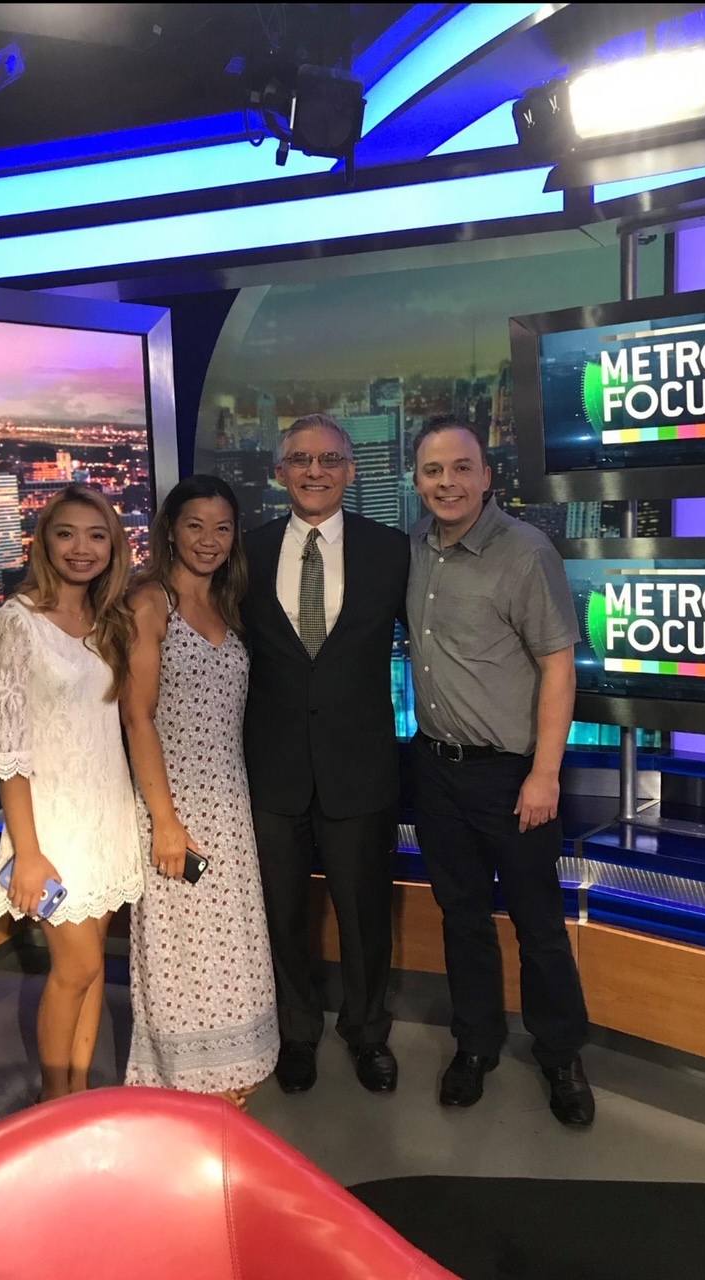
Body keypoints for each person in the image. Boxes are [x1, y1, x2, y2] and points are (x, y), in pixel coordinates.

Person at [407, 416, 594, 1126]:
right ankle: (476, 1044)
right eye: (432, 471)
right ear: (417, 480)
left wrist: (544, 774)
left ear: (487, 477)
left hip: (510, 775)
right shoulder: (417, 550)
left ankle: (559, 1053)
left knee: (538, 923)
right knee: (461, 917)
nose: (447, 483)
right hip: (435, 768)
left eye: (461, 469)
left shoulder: (524, 553)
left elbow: (557, 667)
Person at [242, 413, 410, 1094]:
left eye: (330, 460)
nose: (315, 471)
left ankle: (368, 1033)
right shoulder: (245, 550)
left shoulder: (391, 549)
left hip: (360, 767)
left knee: (364, 912)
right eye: (301, 460)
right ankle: (297, 1032)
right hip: (273, 767)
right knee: (281, 913)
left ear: (352, 470)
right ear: (281, 472)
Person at [121, 475, 279, 1109]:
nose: (209, 540)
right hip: (174, 805)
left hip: (228, 804)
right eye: (195, 526)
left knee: (230, 946)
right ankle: (184, 1092)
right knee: (181, 951)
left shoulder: (228, 604)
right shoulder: (149, 603)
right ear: (170, 531)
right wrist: (164, 819)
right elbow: (138, 716)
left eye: (222, 527)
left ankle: (229, 1087)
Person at [0, 483, 144, 1102]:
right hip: (50, 830)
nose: (82, 548)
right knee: (73, 967)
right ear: (44, 542)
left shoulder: (108, 619)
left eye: (97, 535)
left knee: (94, 966)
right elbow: (9, 753)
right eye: (67, 533)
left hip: (106, 817)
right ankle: (53, 1103)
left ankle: (79, 1095)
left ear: (114, 546)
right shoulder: (17, 621)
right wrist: (27, 853)